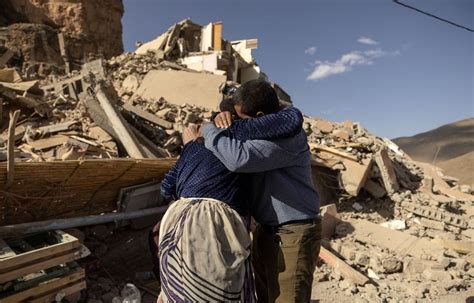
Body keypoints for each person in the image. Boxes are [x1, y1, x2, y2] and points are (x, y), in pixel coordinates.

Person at [155, 103, 304, 302]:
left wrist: (194, 144)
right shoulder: (238, 136)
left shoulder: (194, 147)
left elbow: (166, 187)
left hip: (175, 223)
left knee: (182, 288)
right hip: (211, 226)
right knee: (218, 286)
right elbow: (293, 119)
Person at [203, 79, 322, 303]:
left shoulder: (288, 138)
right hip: (267, 230)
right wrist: (221, 116)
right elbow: (229, 112)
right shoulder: (267, 128)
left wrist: (209, 130)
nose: (240, 124)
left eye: (244, 120)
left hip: (293, 233)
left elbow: (237, 158)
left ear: (259, 118)